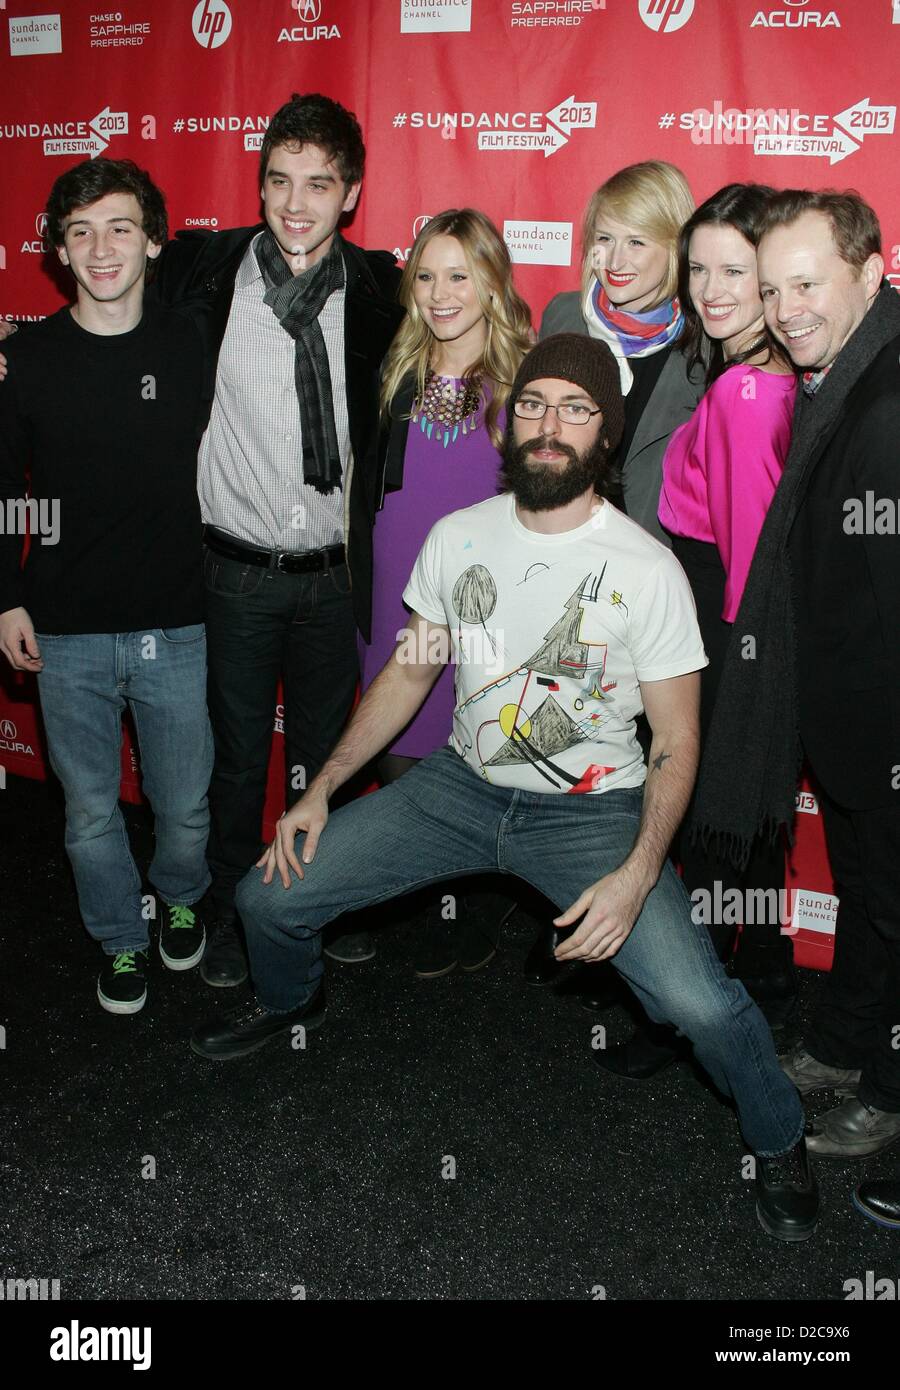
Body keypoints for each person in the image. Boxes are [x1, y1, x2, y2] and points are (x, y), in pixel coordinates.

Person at [191, 335, 817, 1244]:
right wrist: (323, 783)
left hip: (593, 813)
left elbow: (679, 742)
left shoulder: (647, 569)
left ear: (607, 434)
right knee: (265, 898)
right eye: (533, 405)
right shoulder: (459, 537)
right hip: (457, 787)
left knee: (696, 1003)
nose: (548, 425)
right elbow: (409, 675)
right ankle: (290, 1001)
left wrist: (640, 871)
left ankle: (779, 1134)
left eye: (575, 408)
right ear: (509, 421)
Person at [145, 93, 404, 986]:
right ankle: (228, 910)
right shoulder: (204, 275)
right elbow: (102, 299)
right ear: (258, 186)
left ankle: (314, 899)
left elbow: (444, 389)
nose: (297, 203)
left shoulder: (381, 292)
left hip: (338, 577)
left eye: (319, 184)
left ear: (352, 194)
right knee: (234, 755)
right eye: (280, 181)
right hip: (234, 571)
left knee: (328, 757)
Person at [692, 189, 900, 1161]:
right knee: (870, 894)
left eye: (807, 284)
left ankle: (888, 1087)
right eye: (774, 290)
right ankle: (850, 1042)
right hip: (850, 719)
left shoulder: (889, 401)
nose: (787, 309)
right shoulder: (841, 376)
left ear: (871, 270)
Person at [0, 158, 212, 1014]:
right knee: (88, 814)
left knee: (185, 808)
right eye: (79, 230)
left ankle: (183, 897)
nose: (100, 246)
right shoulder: (27, 357)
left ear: (154, 241)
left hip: (177, 621)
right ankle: (121, 939)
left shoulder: (191, 340)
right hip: (66, 630)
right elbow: (6, 490)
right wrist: (6, 598)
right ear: (57, 248)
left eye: (121, 226)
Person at [598, 184, 799, 1081]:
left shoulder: (749, 389)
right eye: (702, 268)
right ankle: (754, 991)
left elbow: (752, 567)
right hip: (714, 613)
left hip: (722, 629)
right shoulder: (742, 369)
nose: (713, 290)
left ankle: (692, 1014)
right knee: (730, 834)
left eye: (737, 271)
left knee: (701, 821)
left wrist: (732, 687)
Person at [531, 160, 703, 991]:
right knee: (567, 761)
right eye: (604, 238)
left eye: (640, 240)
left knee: (651, 776)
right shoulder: (564, 316)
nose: (617, 259)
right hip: (562, 586)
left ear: (677, 245)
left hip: (659, 598)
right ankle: (568, 923)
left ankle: (651, 961)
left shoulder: (708, 337)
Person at [347, 208, 532, 976]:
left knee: (476, 760)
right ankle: (423, 897)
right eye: (425, 275)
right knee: (396, 757)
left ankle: (474, 916)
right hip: (394, 597)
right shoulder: (400, 370)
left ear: (491, 282)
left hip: (480, 610)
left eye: (459, 274)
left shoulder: (519, 384)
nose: (440, 292)